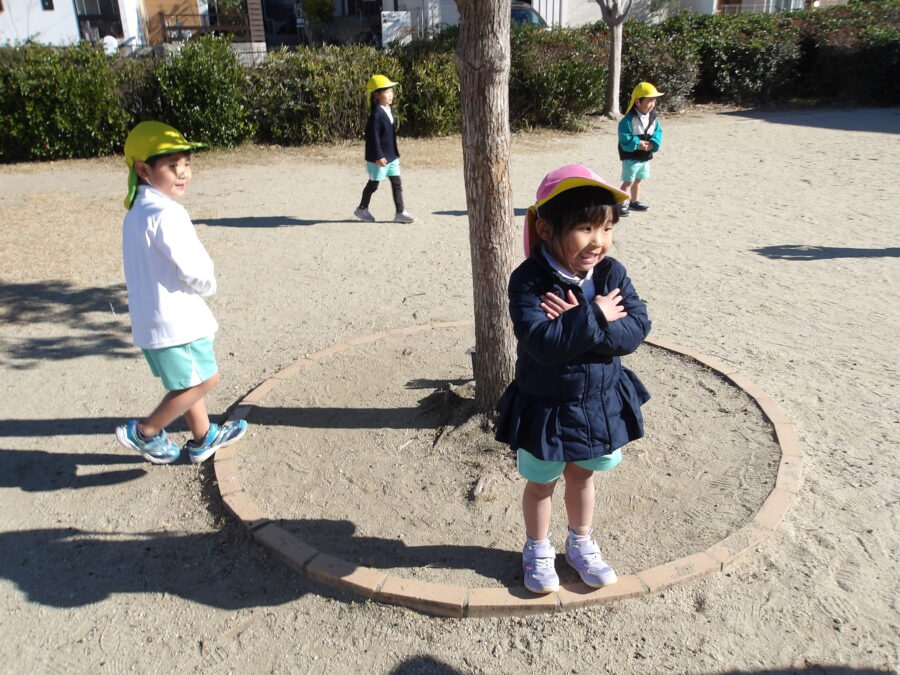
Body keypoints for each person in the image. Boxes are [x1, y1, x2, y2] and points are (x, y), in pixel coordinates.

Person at [495, 164, 651, 593]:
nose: (598, 240)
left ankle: (580, 543)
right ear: (546, 229)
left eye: (607, 228)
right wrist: (597, 314)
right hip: (546, 404)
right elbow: (542, 344)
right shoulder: (528, 281)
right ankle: (537, 548)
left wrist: (579, 322)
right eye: (585, 228)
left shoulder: (611, 273)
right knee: (541, 482)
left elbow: (636, 330)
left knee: (583, 476)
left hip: (596, 402)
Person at [115, 121, 247, 465]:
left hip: (154, 320)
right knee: (204, 379)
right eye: (172, 166)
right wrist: (208, 284)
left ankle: (204, 438)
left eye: (186, 164)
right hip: (178, 321)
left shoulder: (137, 210)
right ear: (143, 170)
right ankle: (145, 432)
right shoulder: (167, 213)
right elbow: (195, 269)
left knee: (187, 380)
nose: (183, 173)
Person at [353, 74, 415, 224]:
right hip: (379, 157)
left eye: (391, 91)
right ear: (376, 94)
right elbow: (373, 138)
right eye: (386, 92)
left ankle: (400, 212)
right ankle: (362, 209)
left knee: (396, 183)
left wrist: (393, 154)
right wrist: (378, 156)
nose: (390, 94)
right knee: (373, 184)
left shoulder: (388, 109)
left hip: (392, 156)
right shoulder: (376, 114)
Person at [617, 82, 664, 217]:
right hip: (631, 157)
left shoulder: (652, 118)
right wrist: (637, 143)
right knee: (628, 181)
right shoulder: (628, 120)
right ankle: (620, 203)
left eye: (654, 101)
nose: (652, 104)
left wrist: (653, 143)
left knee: (638, 180)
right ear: (637, 101)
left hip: (644, 156)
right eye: (649, 100)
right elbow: (624, 137)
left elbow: (658, 132)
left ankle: (634, 201)